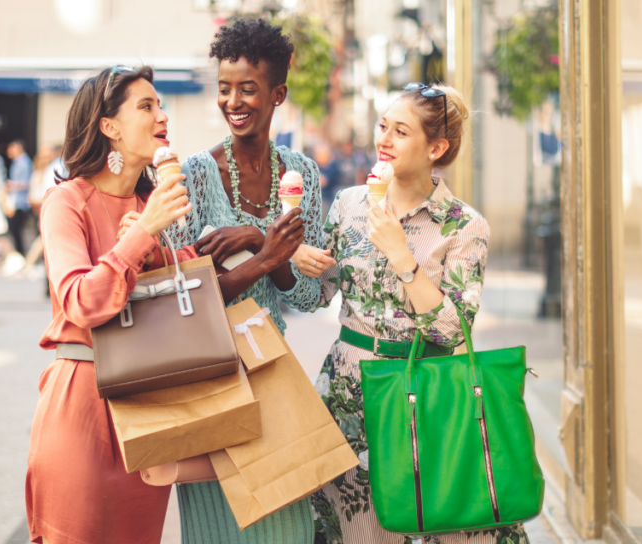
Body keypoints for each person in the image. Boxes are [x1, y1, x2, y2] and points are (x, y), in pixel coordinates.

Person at [294, 84, 529, 544]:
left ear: (436, 148)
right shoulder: (348, 205)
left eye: (400, 131)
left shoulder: (464, 225)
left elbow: (451, 328)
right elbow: (315, 297)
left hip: (427, 390)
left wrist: (403, 258)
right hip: (350, 390)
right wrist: (296, 261)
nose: (383, 138)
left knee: (443, 513)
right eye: (384, 126)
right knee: (361, 528)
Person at [161, 17, 319, 544]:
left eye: (248, 89)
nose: (234, 101)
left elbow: (311, 295)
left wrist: (260, 242)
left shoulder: (302, 173)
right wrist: (261, 257)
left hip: (273, 370)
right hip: (210, 375)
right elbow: (180, 295)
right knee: (216, 529)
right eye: (225, 88)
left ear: (277, 94)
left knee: (287, 524)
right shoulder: (195, 174)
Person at [27, 65, 196, 544]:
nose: (162, 116)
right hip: (82, 401)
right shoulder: (66, 202)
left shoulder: (161, 202)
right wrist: (143, 234)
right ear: (109, 127)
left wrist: (162, 245)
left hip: (151, 404)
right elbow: (81, 300)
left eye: (160, 105)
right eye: (146, 106)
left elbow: (191, 278)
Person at [6, 139, 33, 255]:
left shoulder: (24, 162)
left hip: (21, 202)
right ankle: (19, 252)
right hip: (16, 201)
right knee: (15, 228)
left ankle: (20, 253)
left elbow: (27, 183)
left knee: (15, 228)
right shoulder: (17, 162)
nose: (8, 151)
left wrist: (12, 185)